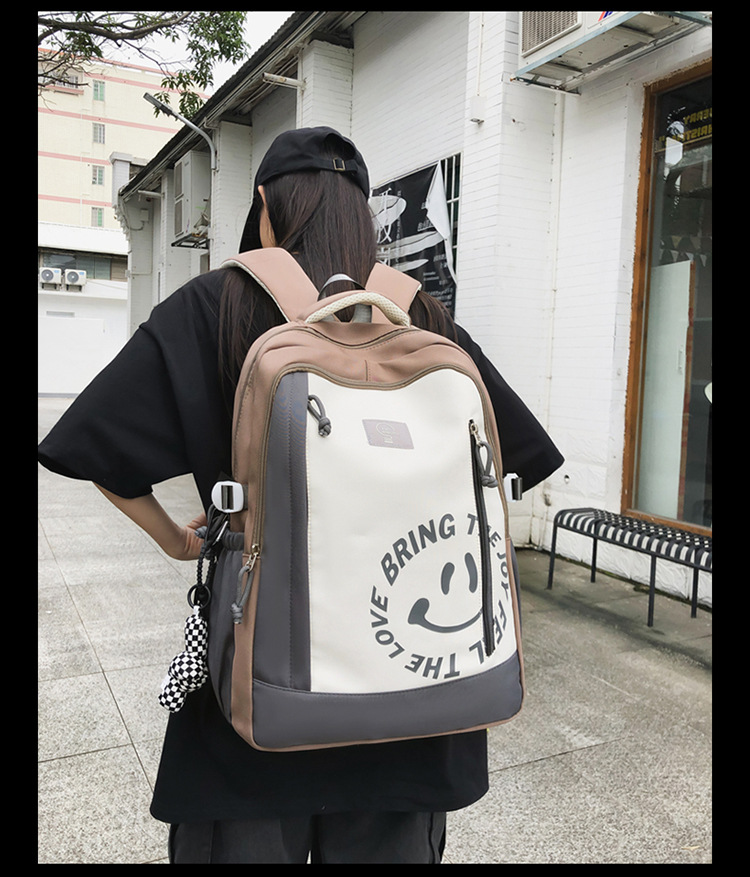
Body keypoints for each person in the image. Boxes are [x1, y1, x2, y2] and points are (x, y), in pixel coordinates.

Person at [38, 126, 563, 864]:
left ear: (264, 206)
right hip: (417, 709)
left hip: (259, 703)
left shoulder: (213, 305)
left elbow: (93, 447)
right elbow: (522, 458)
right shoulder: (422, 317)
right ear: (364, 217)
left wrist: (181, 540)